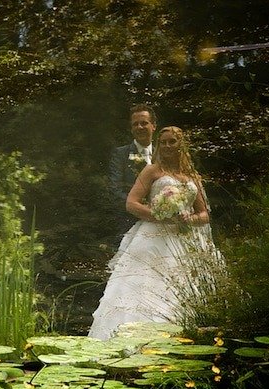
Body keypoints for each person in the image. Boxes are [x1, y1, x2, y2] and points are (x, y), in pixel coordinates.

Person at [88, 126, 221, 340]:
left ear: (181, 145)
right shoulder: (152, 171)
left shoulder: (191, 176)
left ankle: (187, 335)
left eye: (172, 142)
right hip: (154, 235)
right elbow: (131, 203)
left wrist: (190, 219)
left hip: (186, 237)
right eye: (164, 142)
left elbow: (204, 213)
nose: (167, 146)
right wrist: (159, 215)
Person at [107, 104, 158, 238]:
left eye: (144, 123)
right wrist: (143, 209)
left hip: (163, 221)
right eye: (135, 124)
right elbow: (115, 191)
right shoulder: (121, 154)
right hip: (130, 222)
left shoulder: (163, 154)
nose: (139, 127)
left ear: (153, 126)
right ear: (131, 128)